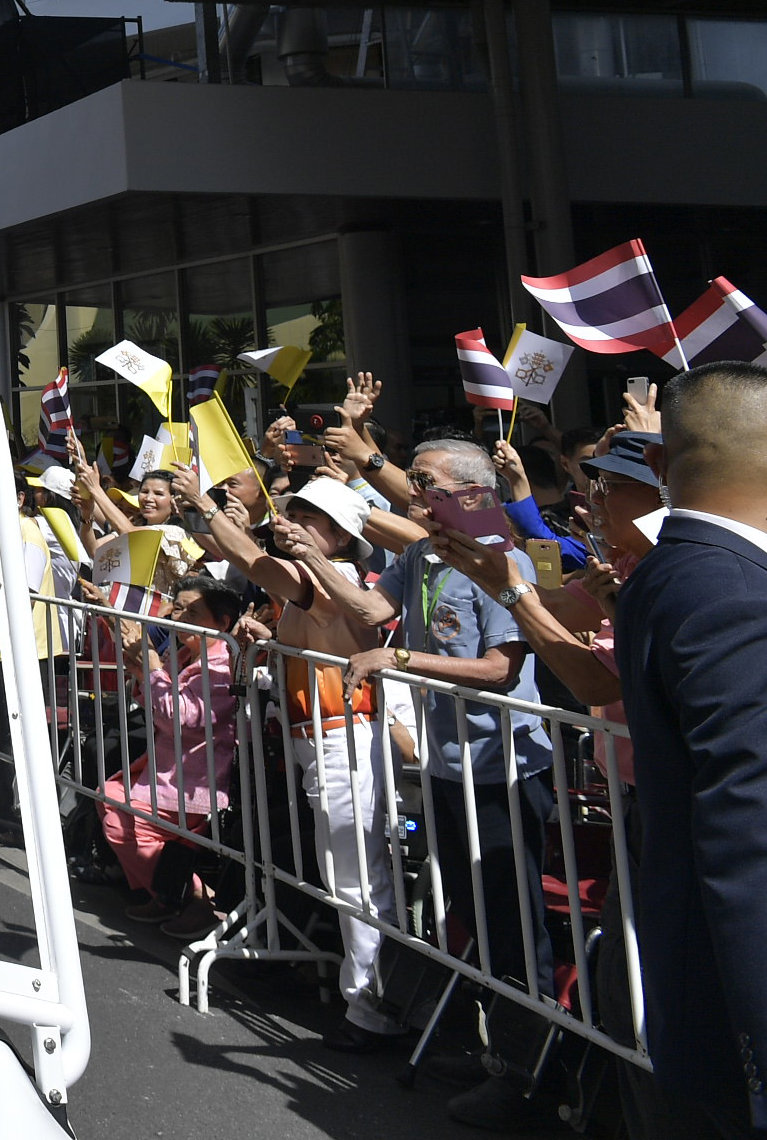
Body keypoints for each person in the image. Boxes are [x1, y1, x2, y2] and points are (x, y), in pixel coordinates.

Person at [331, 436, 558, 1128]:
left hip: (502, 769)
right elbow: (371, 613)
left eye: (424, 481)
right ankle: (498, 1053)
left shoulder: (502, 559)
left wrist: (399, 660)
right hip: (445, 765)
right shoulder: (419, 555)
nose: (411, 491)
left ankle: (528, 1076)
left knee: (512, 921)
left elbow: (500, 670)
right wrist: (308, 555)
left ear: (469, 491)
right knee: (472, 911)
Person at [616, 363, 767, 1140]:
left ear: (660, 463)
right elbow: (761, 839)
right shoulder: (743, 598)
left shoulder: (683, 572)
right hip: (766, 1042)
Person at [202, 471, 400, 1053]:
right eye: (297, 514)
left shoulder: (335, 579)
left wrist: (201, 507)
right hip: (320, 740)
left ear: (340, 537)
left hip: (344, 739)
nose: (296, 526)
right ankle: (369, 999)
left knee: (358, 879)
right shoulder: (312, 583)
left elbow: (252, 562)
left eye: (311, 519)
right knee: (346, 876)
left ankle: (372, 1010)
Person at [96, 577, 245, 934]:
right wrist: (142, 669)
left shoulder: (221, 666)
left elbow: (179, 717)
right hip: (166, 772)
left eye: (193, 613)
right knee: (108, 795)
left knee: (118, 821)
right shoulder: (184, 655)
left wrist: (150, 668)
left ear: (222, 623)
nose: (180, 618)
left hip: (195, 781)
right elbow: (153, 701)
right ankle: (169, 895)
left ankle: (194, 897)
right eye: (179, 609)